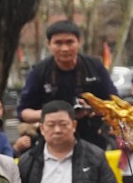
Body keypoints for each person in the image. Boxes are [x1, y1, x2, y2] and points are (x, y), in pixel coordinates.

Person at [17, 20, 116, 148]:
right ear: (49, 44)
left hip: (93, 137)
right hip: (52, 140)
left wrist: (93, 108)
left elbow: (115, 103)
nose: (65, 48)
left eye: (70, 42)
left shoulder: (95, 67)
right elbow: (24, 112)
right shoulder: (39, 72)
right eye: (58, 43)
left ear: (78, 42)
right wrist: (55, 115)